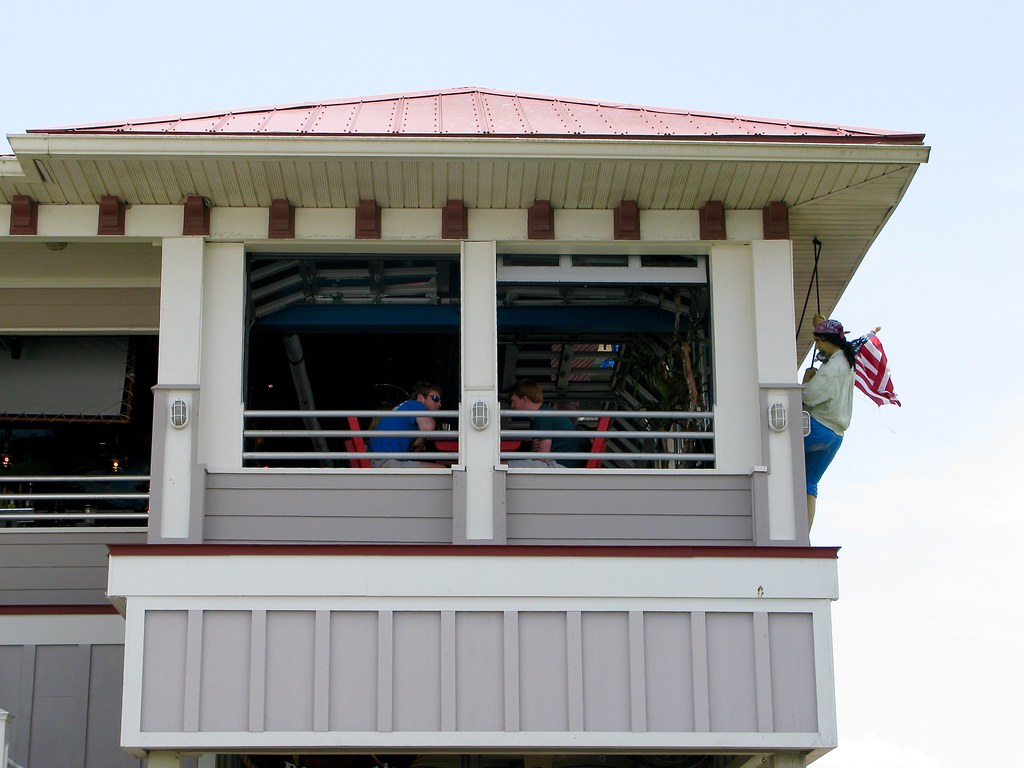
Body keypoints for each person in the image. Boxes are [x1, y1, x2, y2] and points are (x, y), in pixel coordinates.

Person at [802, 316, 856, 528]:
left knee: (777, 455)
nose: (817, 347)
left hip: (817, 428)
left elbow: (809, 397)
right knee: (809, 484)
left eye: (818, 341)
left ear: (825, 340)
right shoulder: (847, 361)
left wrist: (807, 380)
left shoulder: (833, 367)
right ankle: (804, 536)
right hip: (836, 437)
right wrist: (820, 323)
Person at [507, 379, 582, 468]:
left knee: (503, 465)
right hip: (563, 464)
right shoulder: (544, 413)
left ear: (524, 399)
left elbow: (542, 458)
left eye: (513, 401)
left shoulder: (542, 416)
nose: (512, 406)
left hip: (559, 465)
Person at [368, 381, 444, 468]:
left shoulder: (405, 408)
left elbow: (417, 447)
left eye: (440, 400)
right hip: (383, 462)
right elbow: (429, 427)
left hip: (380, 460)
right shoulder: (415, 405)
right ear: (420, 397)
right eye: (435, 398)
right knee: (441, 469)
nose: (439, 404)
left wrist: (421, 438)